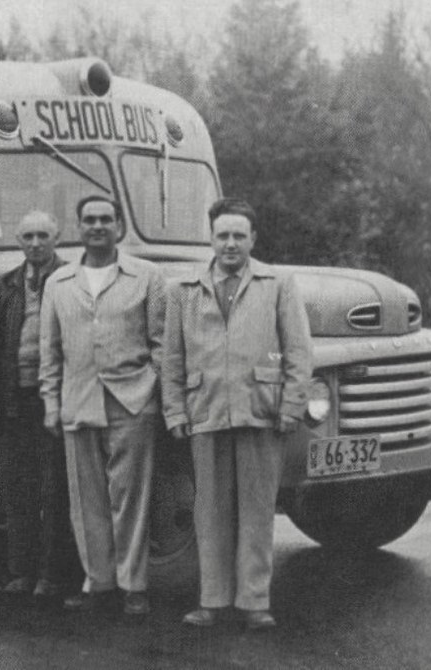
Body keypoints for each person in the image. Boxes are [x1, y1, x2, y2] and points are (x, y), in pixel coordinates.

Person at [162, 197, 312, 630]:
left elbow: (299, 352)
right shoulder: (184, 290)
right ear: (210, 238)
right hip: (205, 411)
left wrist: (292, 405)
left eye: (238, 236)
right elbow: (172, 358)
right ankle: (212, 601)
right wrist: (175, 411)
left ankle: (254, 602)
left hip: (260, 412)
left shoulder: (277, 284)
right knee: (208, 512)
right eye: (222, 235)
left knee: (257, 510)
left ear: (253, 239)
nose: (230, 244)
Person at [39, 195, 165, 617]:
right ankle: (100, 582)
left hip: (132, 401)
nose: (97, 226)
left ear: (119, 227)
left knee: (130, 497)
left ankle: (134, 585)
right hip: (78, 401)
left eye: (105, 220)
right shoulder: (58, 283)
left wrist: (151, 390)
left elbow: (162, 342)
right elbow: (49, 351)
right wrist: (51, 404)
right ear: (78, 228)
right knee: (86, 500)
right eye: (89, 219)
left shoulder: (146, 277)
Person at [0, 210, 74, 600]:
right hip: (15, 398)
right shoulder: (6, 286)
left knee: (55, 490)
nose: (35, 243)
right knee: (19, 487)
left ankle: (51, 575)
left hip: (55, 399)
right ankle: (20, 572)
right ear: (18, 241)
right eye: (28, 236)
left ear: (57, 238)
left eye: (43, 235)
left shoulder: (71, 280)